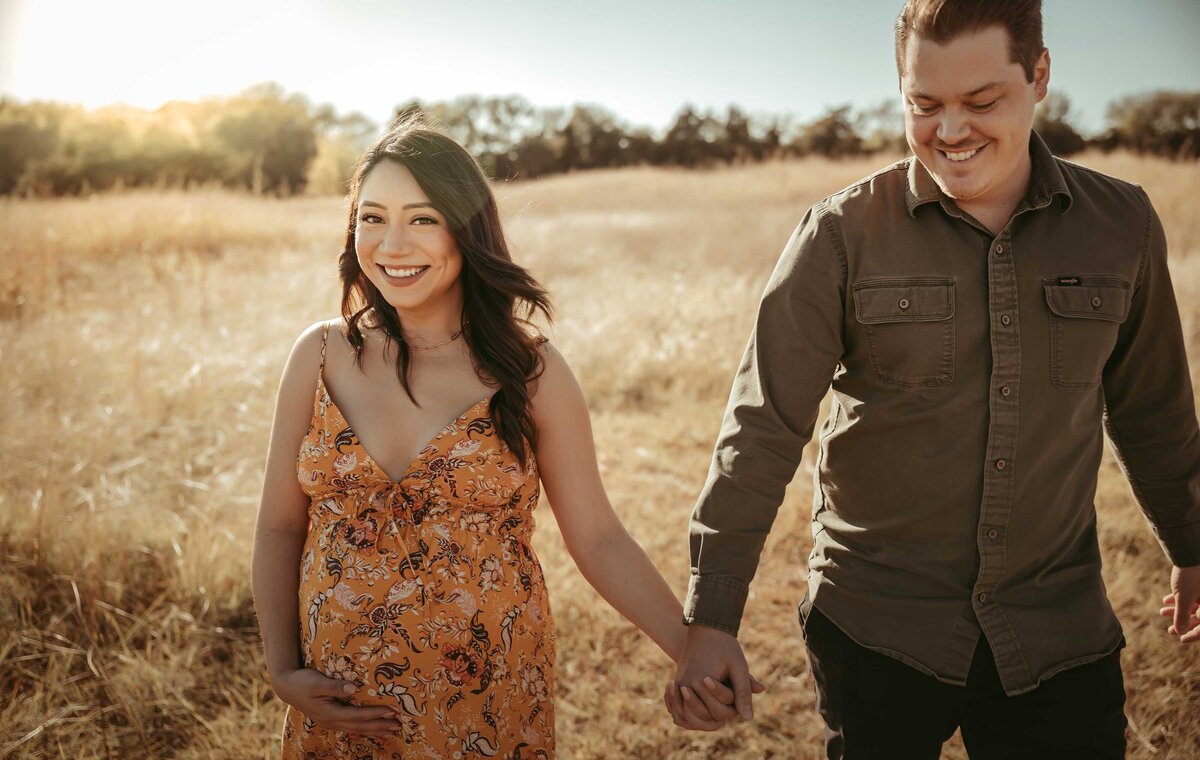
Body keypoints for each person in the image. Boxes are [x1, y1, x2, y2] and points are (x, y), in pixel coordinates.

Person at [664, 1, 1200, 757]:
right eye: (924, 105)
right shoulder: (840, 234)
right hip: (875, 628)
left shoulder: (1123, 225)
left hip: (1056, 631)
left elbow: (1154, 410)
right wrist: (712, 613)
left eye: (981, 102)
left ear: (1039, 75)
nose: (950, 131)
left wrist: (1191, 544)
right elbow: (762, 427)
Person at [251, 118, 721, 758]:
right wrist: (282, 671)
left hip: (485, 704)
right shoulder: (322, 353)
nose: (392, 244)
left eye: (422, 219)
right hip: (341, 711)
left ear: (465, 229)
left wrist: (687, 645)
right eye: (371, 217)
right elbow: (280, 526)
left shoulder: (531, 373)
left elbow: (598, 535)